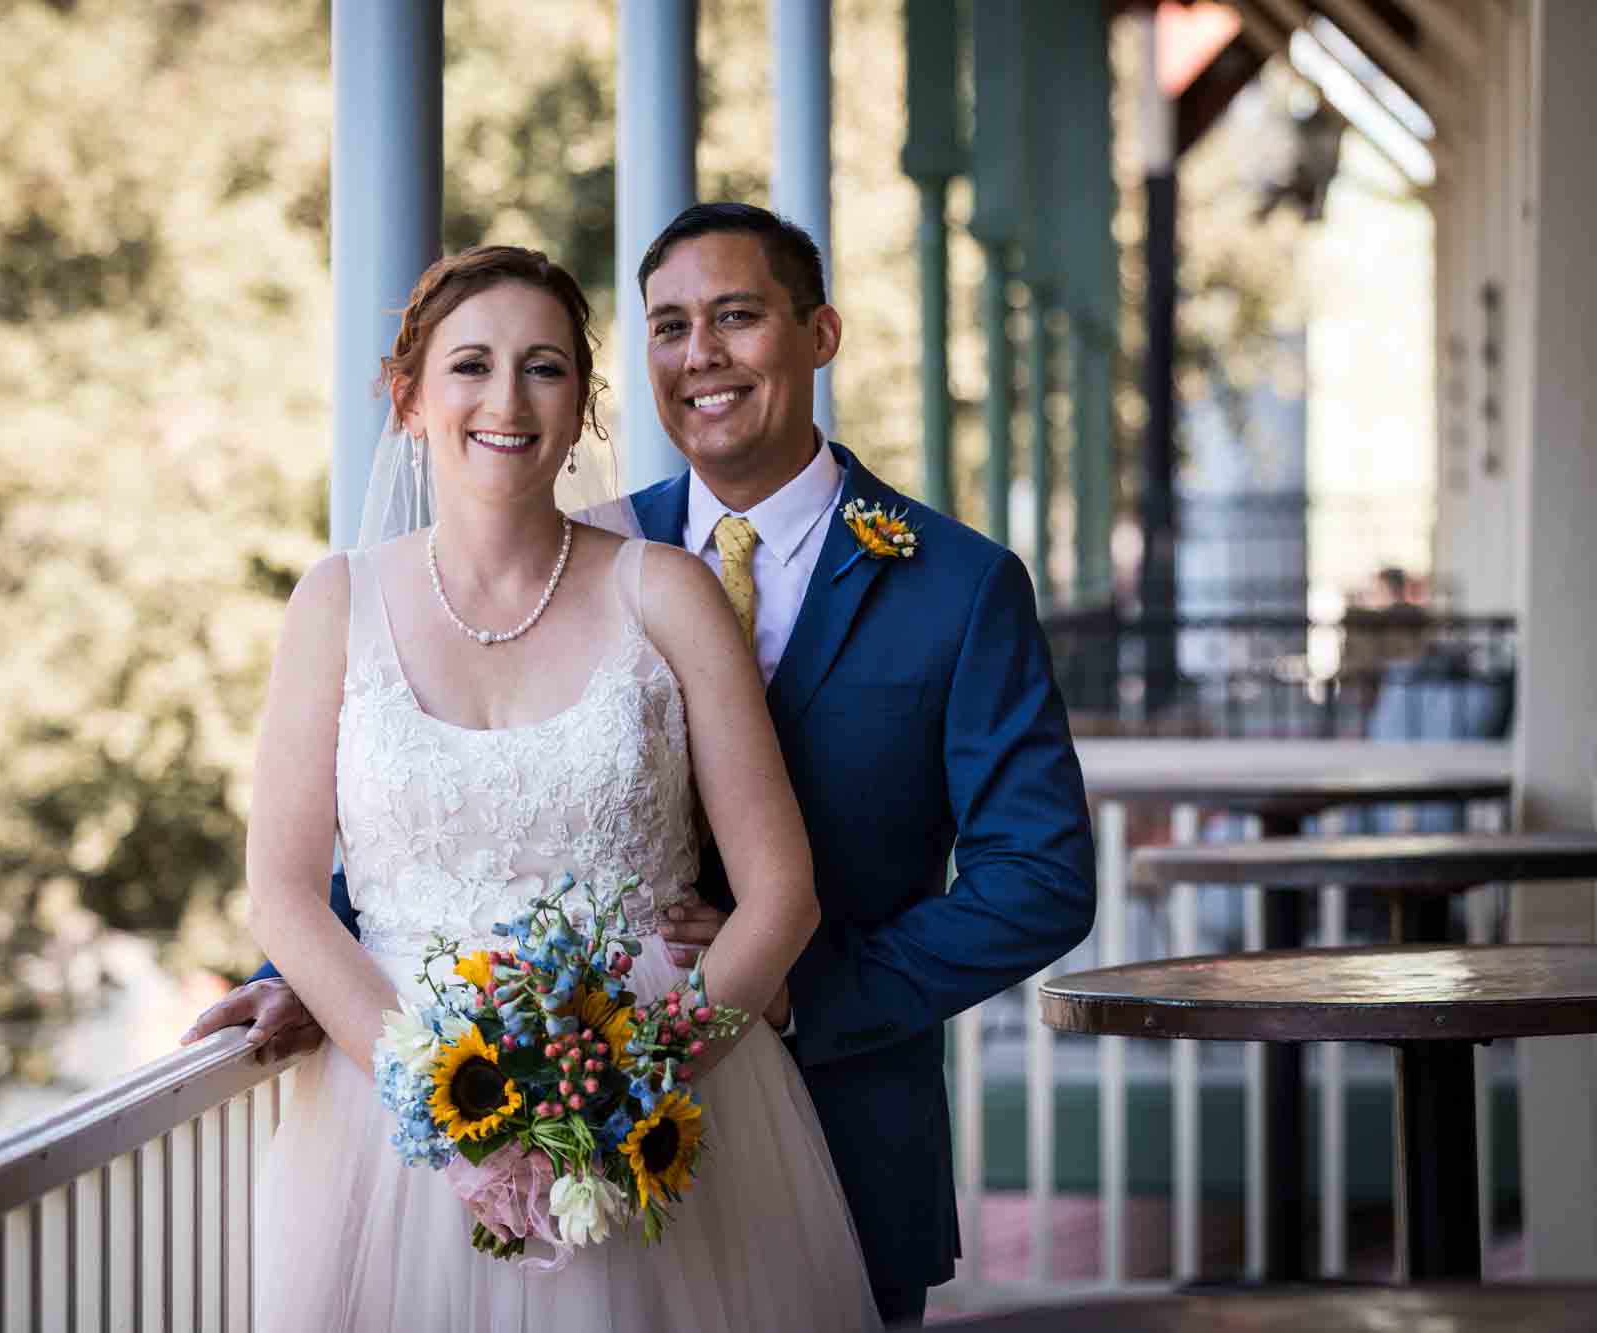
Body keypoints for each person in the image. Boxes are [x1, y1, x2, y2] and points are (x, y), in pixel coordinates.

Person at [191, 205, 1098, 1324]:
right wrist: (324, 994)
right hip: (423, 1129)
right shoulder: (605, 543)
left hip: (772, 1128)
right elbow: (427, 825)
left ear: (818, 333)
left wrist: (774, 1009)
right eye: (669, 325)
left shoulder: (951, 586)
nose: (700, 354)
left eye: (735, 316)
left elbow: (1037, 880)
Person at [237, 243, 882, 1330]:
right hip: (388, 1125)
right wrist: (450, 1122)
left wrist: (631, 1094)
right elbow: (285, 896)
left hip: (663, 1107)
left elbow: (780, 894)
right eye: (469, 365)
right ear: (407, 399)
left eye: (543, 368)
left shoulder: (666, 594)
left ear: (581, 404)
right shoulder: (332, 605)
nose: (506, 398)